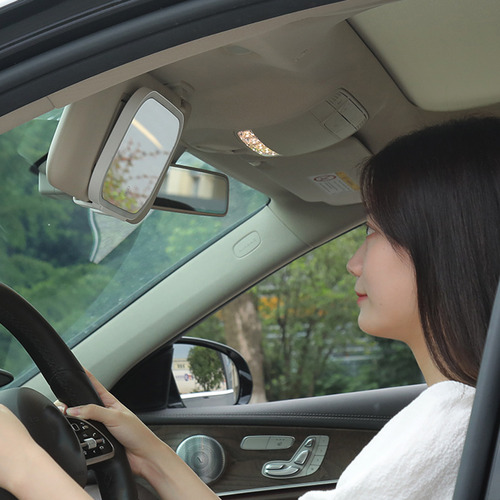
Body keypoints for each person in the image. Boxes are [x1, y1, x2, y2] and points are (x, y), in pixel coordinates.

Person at [0, 115, 499, 499]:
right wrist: (152, 456)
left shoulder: (452, 421)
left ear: (446, 247)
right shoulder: (466, 420)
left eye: (371, 229)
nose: (353, 262)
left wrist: (24, 466)